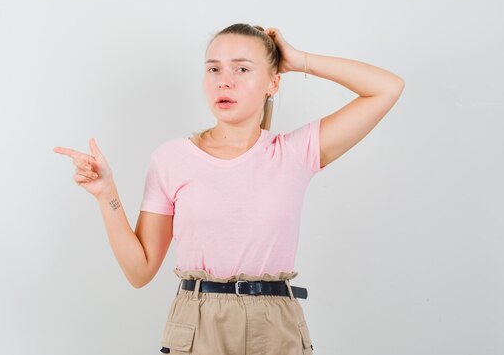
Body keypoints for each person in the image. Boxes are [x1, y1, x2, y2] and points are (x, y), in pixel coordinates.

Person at [53, 23, 405, 354]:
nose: (224, 81)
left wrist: (299, 61)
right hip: (198, 321)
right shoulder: (172, 158)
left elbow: (386, 88)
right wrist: (106, 193)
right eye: (214, 69)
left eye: (242, 69)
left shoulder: (295, 153)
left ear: (273, 83)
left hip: (275, 322)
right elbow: (139, 271)